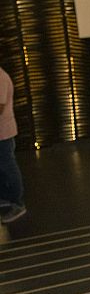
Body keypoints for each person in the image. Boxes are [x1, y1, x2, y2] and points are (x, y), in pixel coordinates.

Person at [0, 66, 26, 224]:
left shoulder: (1, 77)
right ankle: (6, 197)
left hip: (4, 133)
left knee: (9, 168)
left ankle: (18, 203)